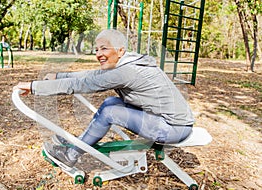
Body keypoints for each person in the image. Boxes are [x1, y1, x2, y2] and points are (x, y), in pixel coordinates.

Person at [13, 29, 194, 168]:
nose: (99, 54)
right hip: (163, 119)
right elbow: (92, 75)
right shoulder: (126, 63)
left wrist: (33, 86)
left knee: (110, 111)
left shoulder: (127, 71)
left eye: (104, 48)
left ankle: (71, 155)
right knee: (110, 103)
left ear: (121, 50)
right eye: (97, 49)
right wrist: (59, 75)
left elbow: (82, 85)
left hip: (174, 128)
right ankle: (78, 142)